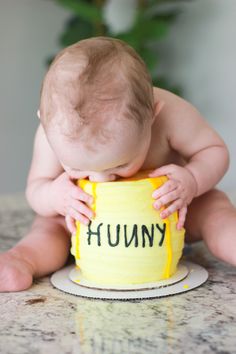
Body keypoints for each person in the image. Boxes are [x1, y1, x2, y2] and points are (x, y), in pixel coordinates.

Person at [0, 37, 235, 292]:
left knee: (214, 208)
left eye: (120, 165)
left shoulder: (173, 115)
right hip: (89, 220)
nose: (99, 180)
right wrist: (55, 196)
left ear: (152, 116)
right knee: (49, 226)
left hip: (169, 210)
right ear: (44, 124)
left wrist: (192, 179)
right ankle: (22, 260)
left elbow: (214, 151)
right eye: (77, 168)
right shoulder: (51, 133)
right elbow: (36, 189)